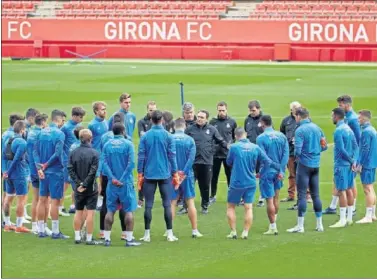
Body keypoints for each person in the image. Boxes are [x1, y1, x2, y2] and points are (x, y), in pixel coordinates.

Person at [226, 127, 280, 239]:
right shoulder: (255, 147)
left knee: (231, 207)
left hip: (237, 181)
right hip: (250, 181)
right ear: (245, 134)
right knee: (248, 207)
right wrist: (264, 170)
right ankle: (245, 232)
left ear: (235, 136)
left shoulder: (234, 147)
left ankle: (233, 232)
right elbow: (267, 161)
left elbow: (228, 162)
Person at [138, 110, 180, 242]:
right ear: (162, 120)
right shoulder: (168, 136)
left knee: (148, 205)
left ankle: (147, 234)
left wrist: (140, 173)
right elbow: (172, 156)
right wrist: (175, 173)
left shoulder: (145, 136)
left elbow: (141, 156)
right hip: (164, 174)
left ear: (151, 120)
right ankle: (169, 233)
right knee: (167, 204)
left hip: (149, 174)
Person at [287, 108, 327, 233]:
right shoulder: (317, 128)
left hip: (304, 165)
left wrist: (301, 155)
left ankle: (300, 226)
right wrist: (315, 152)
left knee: (302, 195)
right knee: (316, 195)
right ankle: (319, 224)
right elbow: (324, 146)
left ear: (299, 116)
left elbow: (297, 150)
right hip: (316, 164)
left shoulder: (300, 130)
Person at [102, 123, 141, 247]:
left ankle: (107, 239)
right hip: (126, 184)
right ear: (123, 131)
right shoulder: (128, 144)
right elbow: (131, 164)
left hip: (112, 184)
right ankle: (129, 239)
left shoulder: (107, 145)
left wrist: (113, 178)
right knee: (128, 210)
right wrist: (122, 179)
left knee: (110, 210)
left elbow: (104, 163)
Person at [34, 110, 69, 239]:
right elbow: (58, 153)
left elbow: (35, 152)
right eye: (63, 121)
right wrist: (46, 165)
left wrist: (40, 167)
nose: (63, 123)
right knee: (55, 201)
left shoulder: (41, 132)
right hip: (55, 171)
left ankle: (41, 230)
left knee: (42, 200)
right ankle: (55, 231)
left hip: (43, 172)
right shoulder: (59, 134)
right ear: (58, 120)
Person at [185, 110, 228, 214]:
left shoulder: (212, 129)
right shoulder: (190, 129)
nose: (199, 119)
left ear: (206, 119)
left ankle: (205, 206)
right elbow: (184, 142)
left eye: (202, 117)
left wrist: (229, 148)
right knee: (189, 184)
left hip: (207, 161)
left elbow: (220, 141)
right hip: (193, 161)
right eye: (198, 117)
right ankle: (185, 206)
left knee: (205, 186)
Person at [324, 95, 361, 215]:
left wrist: (355, 160)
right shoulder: (349, 118)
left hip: (348, 158)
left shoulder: (352, 120)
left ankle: (352, 208)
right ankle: (333, 206)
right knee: (338, 181)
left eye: (340, 105)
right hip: (349, 157)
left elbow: (357, 140)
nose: (339, 107)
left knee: (350, 183)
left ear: (347, 104)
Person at [99, 112, 129, 241]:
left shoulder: (104, 137)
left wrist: (101, 176)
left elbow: (102, 157)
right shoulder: (126, 139)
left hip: (107, 174)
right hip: (121, 175)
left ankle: (102, 231)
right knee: (123, 203)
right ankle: (124, 232)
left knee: (106, 201)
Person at [170, 118, 202, 238]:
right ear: (184, 127)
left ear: (174, 127)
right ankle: (194, 230)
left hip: (172, 176)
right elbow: (191, 159)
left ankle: (169, 230)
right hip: (187, 175)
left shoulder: (170, 139)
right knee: (190, 202)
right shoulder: (190, 140)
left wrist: (175, 173)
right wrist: (183, 173)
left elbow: (168, 158)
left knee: (172, 203)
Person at [257, 115, 289, 235]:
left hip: (267, 171)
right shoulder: (282, 136)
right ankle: (274, 220)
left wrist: (270, 166)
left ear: (262, 123)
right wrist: (281, 170)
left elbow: (263, 156)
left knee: (269, 200)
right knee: (276, 196)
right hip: (279, 172)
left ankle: (273, 226)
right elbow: (286, 155)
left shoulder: (261, 138)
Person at [68, 129, 101, 245]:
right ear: (90, 138)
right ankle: (89, 238)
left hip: (78, 188)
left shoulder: (73, 152)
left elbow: (70, 169)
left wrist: (79, 183)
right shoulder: (94, 153)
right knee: (90, 213)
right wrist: (85, 184)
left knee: (78, 211)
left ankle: (77, 237)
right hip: (90, 188)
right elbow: (93, 171)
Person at [329, 108, 358, 228]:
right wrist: (354, 162)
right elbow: (356, 147)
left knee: (341, 191)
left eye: (332, 116)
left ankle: (342, 219)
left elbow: (341, 149)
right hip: (350, 166)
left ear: (336, 116)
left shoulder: (338, 131)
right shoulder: (348, 129)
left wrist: (351, 161)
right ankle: (349, 218)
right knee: (350, 189)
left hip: (341, 165)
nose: (331, 118)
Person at [2, 120, 30, 233]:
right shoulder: (22, 143)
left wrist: (4, 171)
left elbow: (3, 157)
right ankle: (19, 226)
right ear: (22, 130)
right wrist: (8, 171)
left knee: (8, 198)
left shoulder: (7, 140)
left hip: (9, 175)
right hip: (19, 174)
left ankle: (7, 224)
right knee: (21, 199)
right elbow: (16, 159)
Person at [27, 113, 51, 235]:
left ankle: (34, 225)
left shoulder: (30, 132)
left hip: (32, 168)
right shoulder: (40, 135)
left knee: (36, 199)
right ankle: (42, 225)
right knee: (44, 199)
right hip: (40, 169)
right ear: (42, 122)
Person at [209, 101, 237, 205]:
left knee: (230, 175)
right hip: (215, 154)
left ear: (226, 110)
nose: (221, 112)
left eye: (223, 110)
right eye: (219, 110)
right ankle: (212, 195)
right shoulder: (212, 122)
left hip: (227, 154)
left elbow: (233, 137)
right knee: (213, 176)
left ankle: (232, 195)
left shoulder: (232, 122)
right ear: (217, 110)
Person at [61, 107, 86, 216]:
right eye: (80, 117)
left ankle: (73, 205)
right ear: (74, 116)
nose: (81, 119)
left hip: (77, 160)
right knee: (65, 183)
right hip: (68, 159)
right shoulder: (65, 127)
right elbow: (60, 143)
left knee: (76, 182)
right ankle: (60, 206)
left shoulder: (80, 127)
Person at [356, 110, 377, 223]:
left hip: (367, 163)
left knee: (367, 189)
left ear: (364, 118)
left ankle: (368, 216)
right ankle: (372, 214)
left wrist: (360, 164)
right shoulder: (372, 129)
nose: (358, 120)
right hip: (372, 162)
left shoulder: (366, 132)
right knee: (371, 188)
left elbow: (364, 149)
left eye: (359, 118)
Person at [244, 100, 265, 207]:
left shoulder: (264, 119)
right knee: (248, 174)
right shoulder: (247, 120)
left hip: (260, 152)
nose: (252, 112)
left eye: (254, 110)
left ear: (258, 109)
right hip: (249, 152)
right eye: (250, 110)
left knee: (260, 174)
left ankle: (262, 197)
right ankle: (247, 197)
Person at [137, 101, 157, 208]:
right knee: (142, 176)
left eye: (154, 110)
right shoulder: (141, 122)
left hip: (156, 154)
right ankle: (141, 199)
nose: (152, 112)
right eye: (150, 110)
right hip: (145, 154)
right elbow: (142, 136)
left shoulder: (159, 121)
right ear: (147, 110)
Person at [280, 101, 301, 202]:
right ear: (291, 109)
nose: (297, 109)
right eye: (295, 108)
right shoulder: (286, 121)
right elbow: (282, 134)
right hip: (290, 151)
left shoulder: (304, 120)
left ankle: (307, 195)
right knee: (292, 174)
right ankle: (291, 195)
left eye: (298, 107)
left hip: (301, 152)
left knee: (303, 174)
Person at [24, 108, 40, 222]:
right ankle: (22, 214)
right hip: (25, 163)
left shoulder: (29, 129)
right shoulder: (24, 129)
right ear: (30, 118)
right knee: (23, 188)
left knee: (27, 187)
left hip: (27, 162)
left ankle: (23, 213)